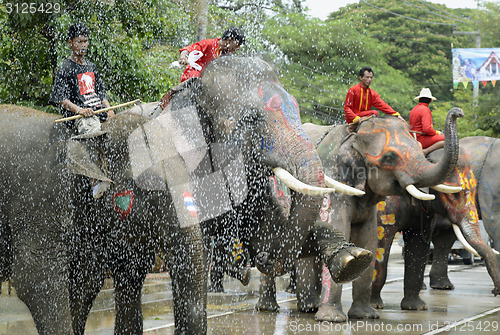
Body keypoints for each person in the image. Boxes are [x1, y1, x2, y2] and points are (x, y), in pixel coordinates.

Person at [49, 22, 113, 198]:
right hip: (81, 116)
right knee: (93, 131)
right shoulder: (66, 67)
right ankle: (96, 179)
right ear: (70, 43)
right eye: (79, 41)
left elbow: (100, 92)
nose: (83, 45)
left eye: (86, 41)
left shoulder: (91, 67)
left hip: (97, 111)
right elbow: (60, 98)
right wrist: (79, 110)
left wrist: (109, 109)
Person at [344, 66, 403, 132]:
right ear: (361, 78)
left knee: (375, 113)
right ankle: (351, 128)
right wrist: (355, 118)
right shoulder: (353, 90)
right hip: (354, 118)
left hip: (365, 117)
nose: (369, 80)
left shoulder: (372, 93)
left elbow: (383, 105)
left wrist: (396, 114)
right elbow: (347, 108)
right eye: (367, 77)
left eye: (371, 77)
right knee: (374, 113)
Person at [178, 26, 246, 83]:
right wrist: (183, 57)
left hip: (207, 81)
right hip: (193, 76)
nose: (238, 48)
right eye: (238, 44)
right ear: (230, 40)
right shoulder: (208, 44)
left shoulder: (226, 55)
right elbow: (188, 49)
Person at [409, 88, 444, 155]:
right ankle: (426, 151)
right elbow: (427, 129)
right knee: (447, 139)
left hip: (414, 137)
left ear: (419, 99)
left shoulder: (414, 109)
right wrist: (437, 132)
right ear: (430, 100)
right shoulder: (425, 109)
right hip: (421, 138)